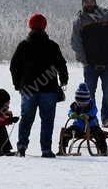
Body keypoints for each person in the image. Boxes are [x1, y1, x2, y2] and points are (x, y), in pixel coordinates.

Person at [10, 13, 69, 158]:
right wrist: (64, 80)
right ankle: (46, 150)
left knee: (26, 118)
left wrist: (18, 84)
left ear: (30, 27)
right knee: (47, 120)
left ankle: (22, 147)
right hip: (49, 89)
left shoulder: (23, 46)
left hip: (28, 89)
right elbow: (61, 64)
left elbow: (14, 66)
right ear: (44, 27)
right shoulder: (52, 46)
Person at [70, 0, 108, 128]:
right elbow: (75, 42)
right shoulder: (79, 21)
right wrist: (83, 59)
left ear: (95, 1)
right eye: (86, 1)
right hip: (90, 64)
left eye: (91, 1)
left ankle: (107, 118)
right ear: (83, 3)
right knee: (89, 94)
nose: (89, 3)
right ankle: (91, 119)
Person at [58, 82, 108, 156]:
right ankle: (62, 149)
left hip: (92, 127)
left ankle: (103, 150)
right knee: (66, 133)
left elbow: (94, 111)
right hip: (78, 127)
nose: (82, 104)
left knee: (99, 134)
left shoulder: (91, 105)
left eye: (84, 102)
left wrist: (88, 115)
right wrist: (72, 115)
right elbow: (70, 112)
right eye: (79, 103)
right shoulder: (75, 106)